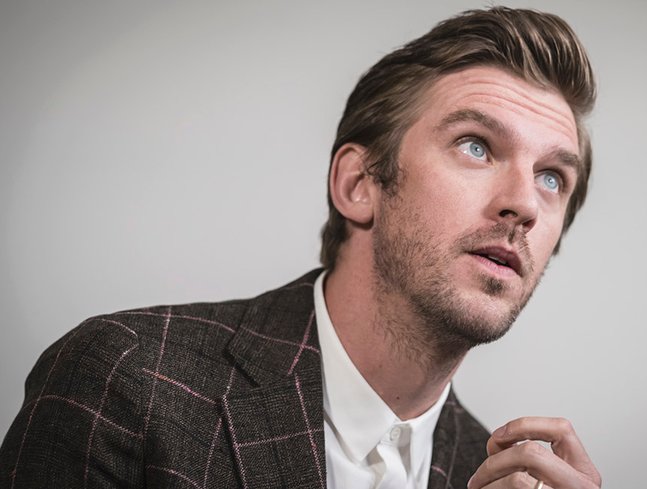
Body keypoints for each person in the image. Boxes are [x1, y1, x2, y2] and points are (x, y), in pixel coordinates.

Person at [0, 6, 601, 489]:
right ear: (359, 185)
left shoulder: (491, 472)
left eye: (553, 178)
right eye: (476, 145)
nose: (524, 203)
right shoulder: (125, 380)